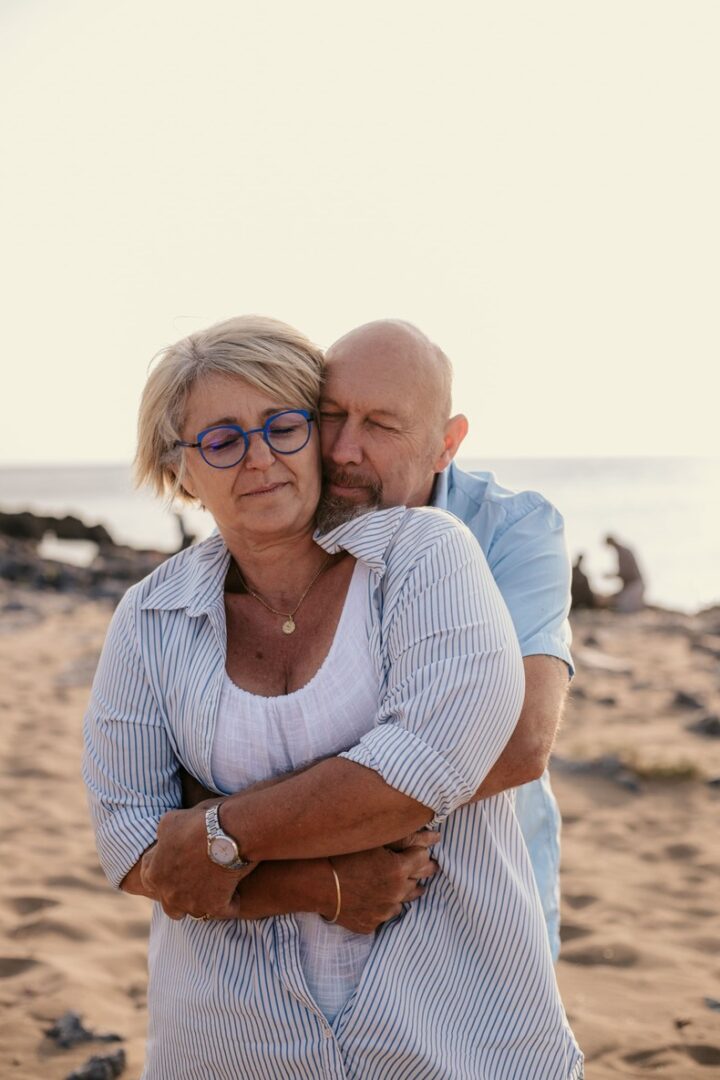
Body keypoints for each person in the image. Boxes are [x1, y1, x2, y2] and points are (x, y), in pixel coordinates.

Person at [83, 315, 582, 1079]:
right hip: (233, 1038)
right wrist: (316, 882)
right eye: (220, 441)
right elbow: (130, 843)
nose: (259, 458)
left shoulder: (432, 548)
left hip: (450, 1023)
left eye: (282, 427)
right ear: (182, 469)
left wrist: (211, 823)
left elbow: (451, 759)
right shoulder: (149, 617)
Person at [318, 319, 573, 961]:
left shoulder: (515, 531)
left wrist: (281, 834)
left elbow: (518, 744)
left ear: (446, 443)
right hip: (327, 903)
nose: (344, 449)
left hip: (488, 891)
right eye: (330, 415)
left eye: (380, 424)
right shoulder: (303, 517)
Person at [604, 533, 645, 612]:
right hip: (632, 586)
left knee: (623, 609)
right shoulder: (623, 551)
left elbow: (626, 573)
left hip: (634, 586)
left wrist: (611, 576)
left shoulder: (622, 552)